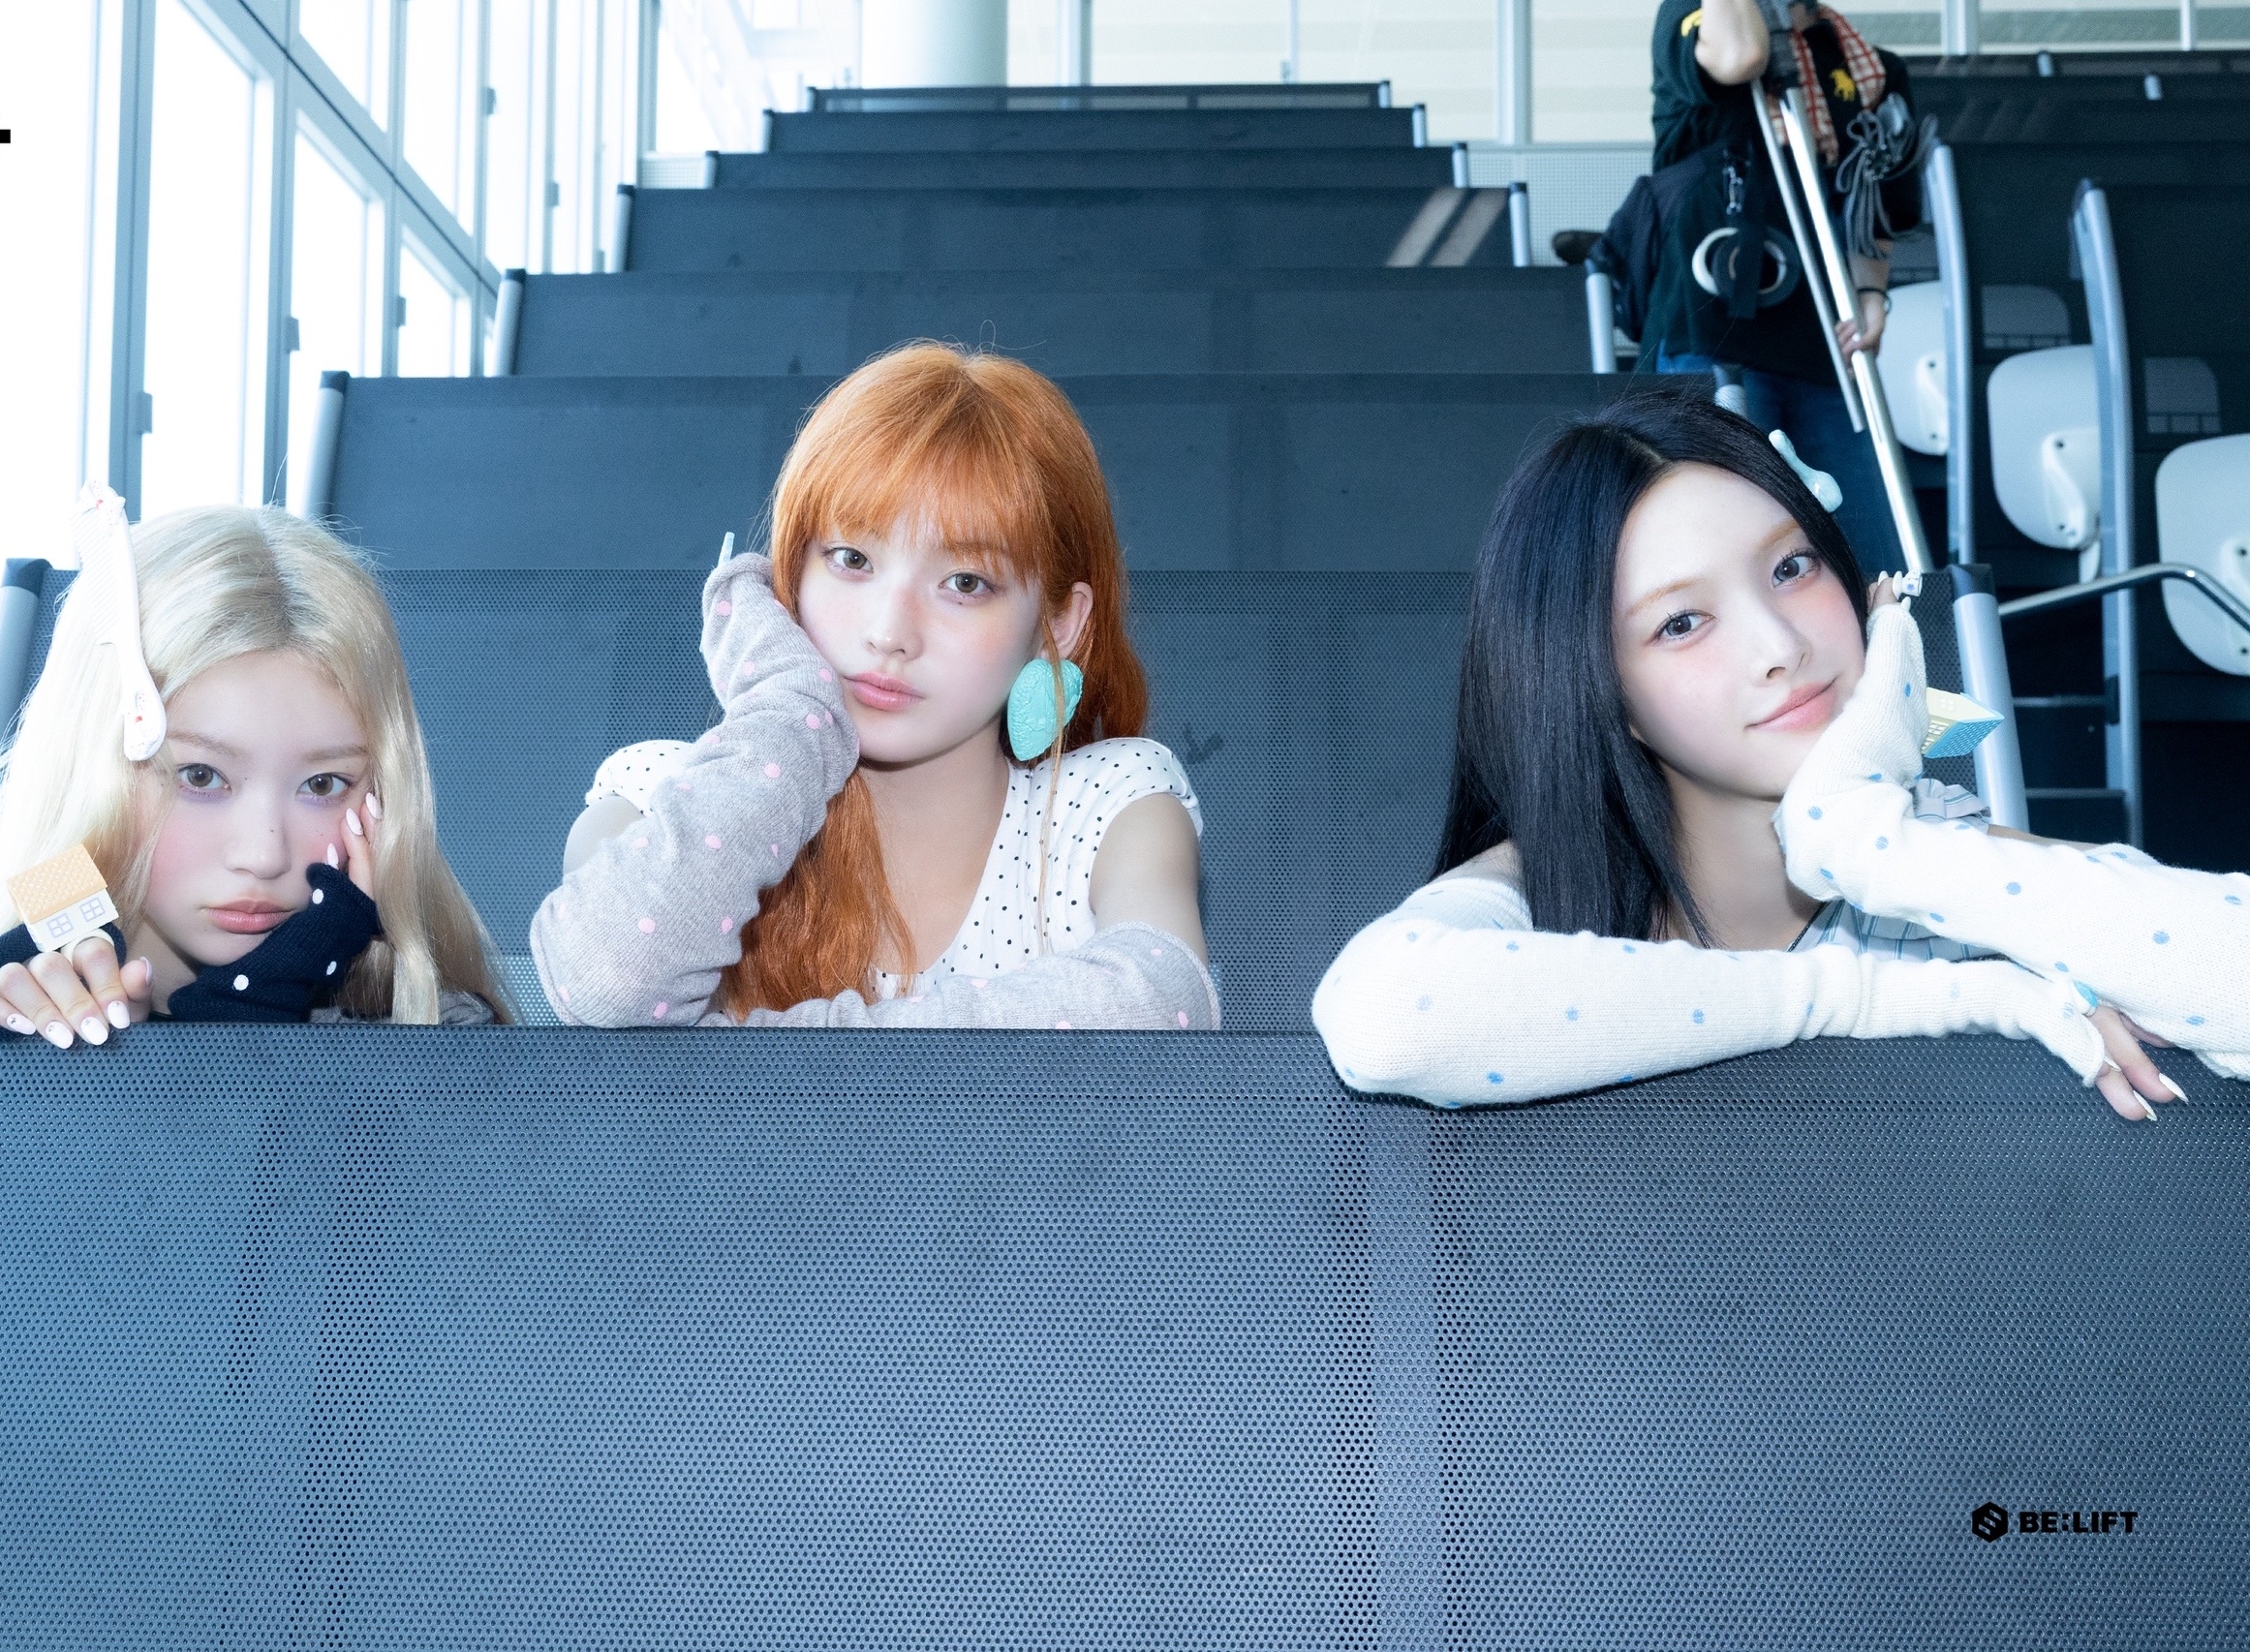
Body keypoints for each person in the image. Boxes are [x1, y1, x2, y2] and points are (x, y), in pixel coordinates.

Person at [1310, 386, 2248, 1116]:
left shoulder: (1929, 855)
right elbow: (1387, 1018)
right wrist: (1865, 999)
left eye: (1791, 568)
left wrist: (1869, 842)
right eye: (1681, 623)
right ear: (1601, 696)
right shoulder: (1537, 883)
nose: (1779, 646)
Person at [532, 343, 1217, 1029]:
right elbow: (604, 984)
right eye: (852, 558)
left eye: (965, 582)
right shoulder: (657, 794)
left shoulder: (1106, 806)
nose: (889, 633)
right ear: (788, 576)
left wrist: (748, 1051)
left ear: (1057, 625)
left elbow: (1161, 1004)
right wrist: (788, 714)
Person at [0, 504, 509, 1037]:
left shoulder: (430, 1028)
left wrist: (259, 1019)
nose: (263, 855)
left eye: (322, 785)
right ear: (92, 775)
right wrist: (10, 1084)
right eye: (200, 777)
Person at [1623, 0, 1928, 573]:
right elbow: (1742, 55)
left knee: (1871, 561)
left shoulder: (1868, 66)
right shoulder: (1698, 18)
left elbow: (1881, 205)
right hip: (1712, 341)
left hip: (1827, 348)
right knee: (1734, 546)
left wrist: (1870, 295)